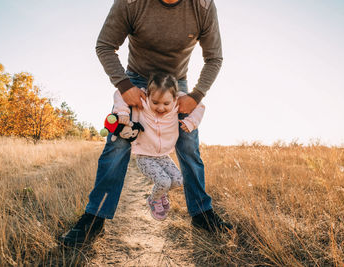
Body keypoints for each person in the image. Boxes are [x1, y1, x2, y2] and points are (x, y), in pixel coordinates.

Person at [61, 0, 232, 247]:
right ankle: (95, 217)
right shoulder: (131, 3)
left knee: (188, 145)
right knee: (117, 145)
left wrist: (195, 96)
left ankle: (202, 214)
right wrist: (124, 86)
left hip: (176, 84)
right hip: (135, 82)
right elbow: (105, 46)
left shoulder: (202, 6)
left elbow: (214, 58)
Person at [114, 72, 205, 221]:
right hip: (145, 156)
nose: (160, 107)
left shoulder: (178, 101)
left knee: (177, 180)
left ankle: (160, 193)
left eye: (166, 103)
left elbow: (200, 105)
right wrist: (123, 111)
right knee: (163, 182)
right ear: (149, 95)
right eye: (155, 102)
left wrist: (191, 122)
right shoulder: (143, 99)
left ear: (174, 98)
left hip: (163, 155)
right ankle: (153, 199)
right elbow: (119, 93)